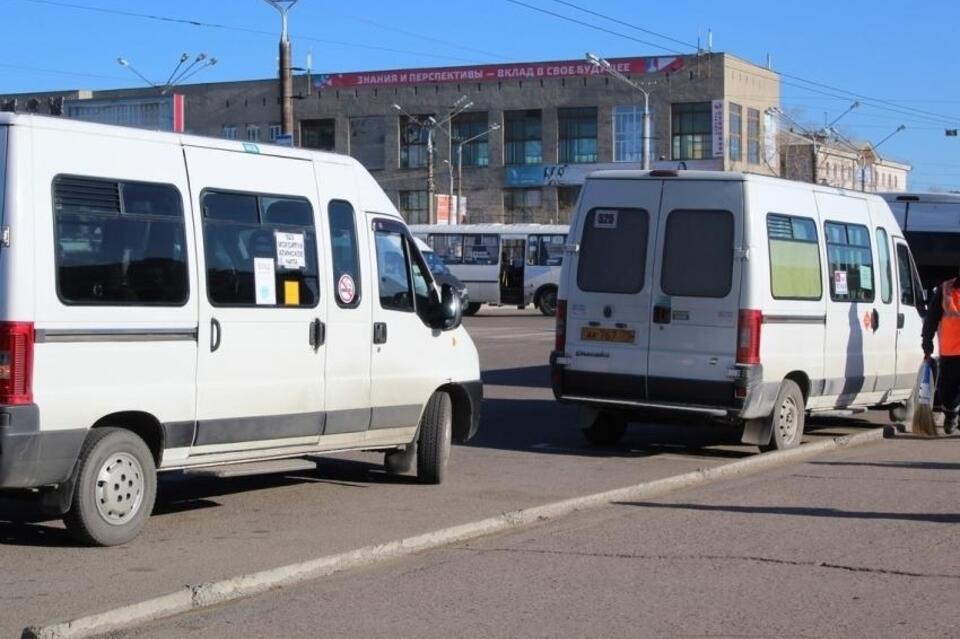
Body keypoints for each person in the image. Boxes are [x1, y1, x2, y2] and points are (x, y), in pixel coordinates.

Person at [921, 275, 960, 434]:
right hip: (949, 352)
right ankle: (951, 415)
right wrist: (927, 341)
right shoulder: (945, 289)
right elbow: (931, 317)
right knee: (947, 390)